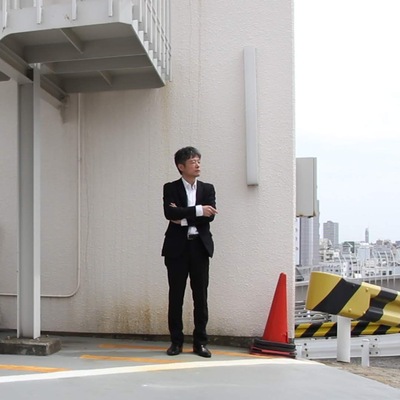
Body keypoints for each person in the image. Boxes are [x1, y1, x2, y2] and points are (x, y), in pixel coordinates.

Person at [162, 146, 217, 358]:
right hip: (177, 248)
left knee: (200, 296)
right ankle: (176, 342)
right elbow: (170, 213)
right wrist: (198, 210)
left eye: (198, 161)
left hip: (199, 247)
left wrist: (183, 218)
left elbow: (210, 216)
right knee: (176, 296)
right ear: (181, 166)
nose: (197, 165)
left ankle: (200, 343)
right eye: (193, 162)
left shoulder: (207, 189)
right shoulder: (170, 188)